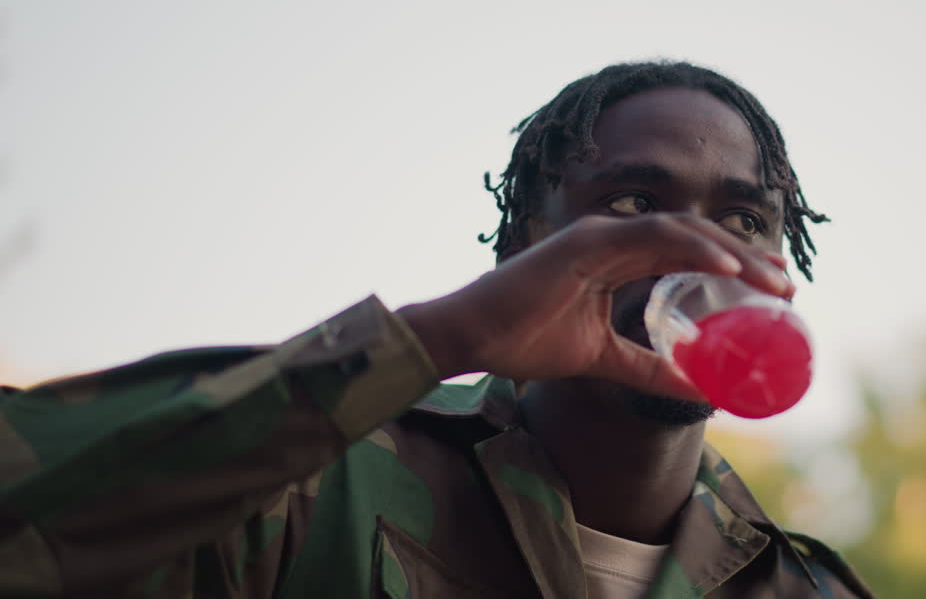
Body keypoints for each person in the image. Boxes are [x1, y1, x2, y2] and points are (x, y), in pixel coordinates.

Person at [0, 62, 875, 598]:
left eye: (744, 219)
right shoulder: (315, 488)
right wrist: (435, 341)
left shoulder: (808, 591)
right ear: (524, 248)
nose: (698, 249)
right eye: (634, 203)